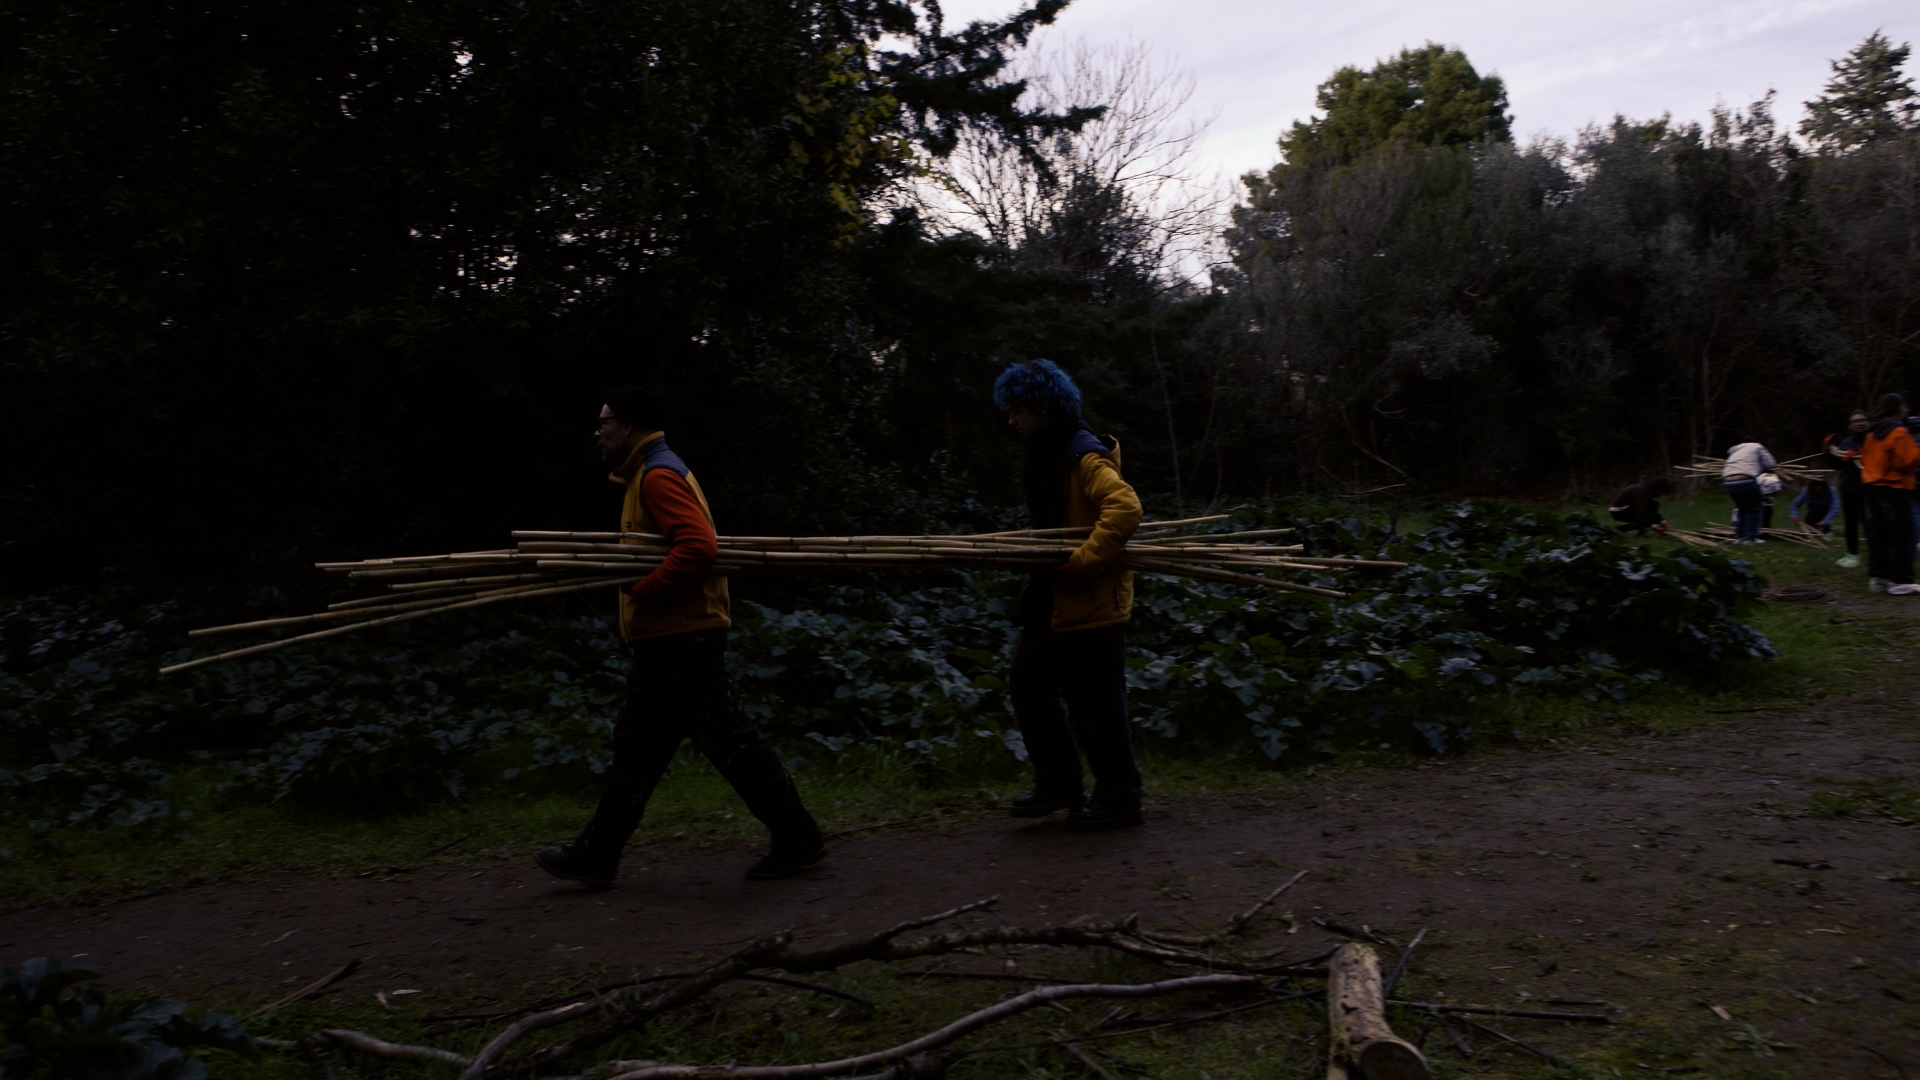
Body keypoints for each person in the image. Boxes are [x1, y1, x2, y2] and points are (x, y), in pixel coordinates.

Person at [537, 386, 825, 888]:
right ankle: (597, 853)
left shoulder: (658, 475)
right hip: (667, 637)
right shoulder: (646, 473)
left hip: (683, 637)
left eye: (604, 422)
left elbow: (697, 549)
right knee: (637, 747)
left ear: (629, 424)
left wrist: (643, 591)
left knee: (729, 740)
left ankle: (798, 836)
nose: (598, 431)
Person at [993, 359, 1146, 831]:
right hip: (1052, 597)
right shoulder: (1045, 454)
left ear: (1042, 406)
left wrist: (1083, 560)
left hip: (1090, 599)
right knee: (1027, 682)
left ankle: (1120, 799)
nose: (1012, 421)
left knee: (1095, 705)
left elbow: (1124, 507)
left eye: (1017, 411)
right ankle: (1059, 782)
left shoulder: (1083, 455)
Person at [1860, 393, 1920, 595]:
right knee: (1901, 536)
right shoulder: (1899, 431)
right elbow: (1905, 461)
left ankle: (1879, 578)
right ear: (1900, 408)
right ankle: (1901, 580)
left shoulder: (1872, 432)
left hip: (1872, 488)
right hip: (1894, 489)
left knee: (1878, 536)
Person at [1824, 410, 1871, 568]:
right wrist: (1827, 452)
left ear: (1868, 422)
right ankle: (1852, 555)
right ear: (1850, 425)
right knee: (1851, 523)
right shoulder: (1846, 443)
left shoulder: (1874, 439)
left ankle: (1875, 554)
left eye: (1862, 420)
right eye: (1855, 421)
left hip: (1870, 487)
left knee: (1870, 522)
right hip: (1849, 487)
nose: (1859, 423)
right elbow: (1838, 466)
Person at [1722, 441, 1776, 545]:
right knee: (1755, 508)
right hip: (1745, 480)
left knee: (1742, 508)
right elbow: (1771, 463)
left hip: (1728, 482)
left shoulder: (1735, 450)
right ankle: (1751, 538)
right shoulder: (1757, 446)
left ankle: (1740, 537)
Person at [1608, 478, 1673, 535]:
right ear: (1658, 489)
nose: (1661, 495)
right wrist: (1654, 527)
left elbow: (1653, 511)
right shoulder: (1642, 491)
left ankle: (1619, 530)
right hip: (1618, 511)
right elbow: (1642, 513)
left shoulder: (1649, 491)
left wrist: (1662, 522)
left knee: (1649, 512)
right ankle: (1617, 530)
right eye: (1662, 493)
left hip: (1627, 508)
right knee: (1644, 517)